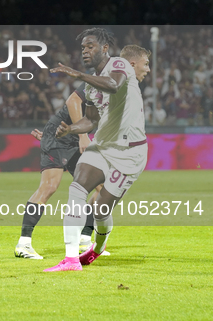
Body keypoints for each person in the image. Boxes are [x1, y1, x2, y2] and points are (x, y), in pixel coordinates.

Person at [44, 30, 150, 272]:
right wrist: (71, 128)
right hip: (102, 146)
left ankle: (98, 248)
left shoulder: (119, 64)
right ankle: (71, 259)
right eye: (83, 47)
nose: (85, 51)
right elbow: (91, 120)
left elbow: (113, 85)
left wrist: (76, 73)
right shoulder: (90, 87)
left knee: (101, 210)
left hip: (130, 154)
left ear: (104, 48)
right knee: (76, 189)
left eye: (90, 46)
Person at [14, 83, 104, 260]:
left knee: (102, 188)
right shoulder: (100, 80)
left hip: (72, 138)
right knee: (49, 186)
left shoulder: (119, 92)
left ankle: (84, 241)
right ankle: (23, 244)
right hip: (62, 136)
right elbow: (73, 101)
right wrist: (82, 136)